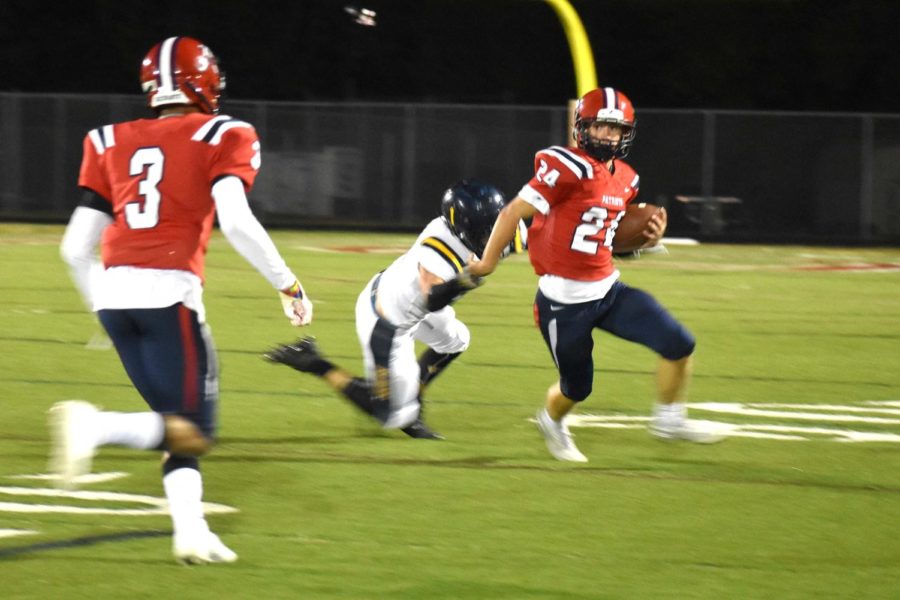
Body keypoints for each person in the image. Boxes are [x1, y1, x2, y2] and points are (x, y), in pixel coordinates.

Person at [54, 36, 314, 564]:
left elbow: (74, 248)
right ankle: (95, 425)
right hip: (167, 293)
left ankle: (190, 533)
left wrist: (103, 311)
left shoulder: (109, 138)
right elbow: (236, 222)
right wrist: (287, 283)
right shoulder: (224, 132)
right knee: (196, 431)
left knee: (175, 422)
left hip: (114, 296)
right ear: (205, 80)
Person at [468, 86, 724, 463]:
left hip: (608, 291)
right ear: (582, 127)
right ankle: (551, 421)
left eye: (615, 129)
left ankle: (669, 421)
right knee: (577, 388)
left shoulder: (627, 179)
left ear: (626, 134)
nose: (608, 135)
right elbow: (511, 213)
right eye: (600, 126)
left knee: (679, 343)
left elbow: (603, 239)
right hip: (563, 303)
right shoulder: (564, 167)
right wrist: (487, 262)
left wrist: (641, 244)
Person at [265, 180, 525, 440]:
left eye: (497, 226)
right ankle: (313, 361)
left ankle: (414, 400)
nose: (494, 238)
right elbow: (433, 299)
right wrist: (468, 278)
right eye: (485, 232)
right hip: (387, 319)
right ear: (462, 228)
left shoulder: (506, 229)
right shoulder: (438, 243)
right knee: (388, 414)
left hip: (414, 307)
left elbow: (538, 233)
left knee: (456, 340)